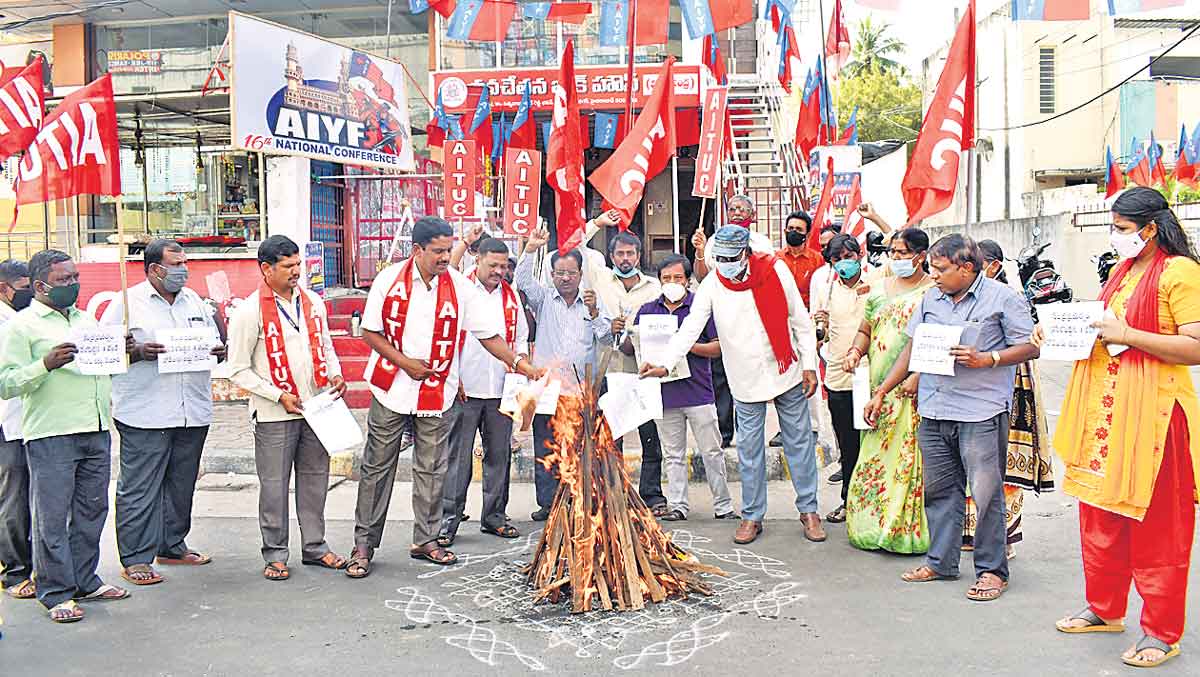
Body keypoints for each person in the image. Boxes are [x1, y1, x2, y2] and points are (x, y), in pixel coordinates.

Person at [1053, 188, 1200, 668]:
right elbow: (1102, 328)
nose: (1115, 237)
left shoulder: (1180, 272)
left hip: (1155, 416)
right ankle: (1105, 608)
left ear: (1150, 228)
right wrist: (1054, 333)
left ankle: (1161, 631)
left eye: (1121, 228)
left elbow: (1195, 346)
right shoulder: (1123, 270)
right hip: (1105, 415)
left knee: (1158, 526)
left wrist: (1129, 336)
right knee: (1100, 516)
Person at [350, 218, 540, 574]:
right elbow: (370, 332)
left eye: (447, 249)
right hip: (392, 388)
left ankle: (426, 539)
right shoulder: (389, 280)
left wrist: (521, 364)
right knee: (377, 468)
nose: (444, 257)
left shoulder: (459, 287)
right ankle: (363, 545)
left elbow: (488, 335)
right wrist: (406, 364)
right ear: (416, 250)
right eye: (437, 251)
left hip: (437, 391)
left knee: (433, 468)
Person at [865, 234, 1038, 602]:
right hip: (934, 408)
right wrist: (882, 390)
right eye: (932, 268)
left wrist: (987, 359)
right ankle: (941, 562)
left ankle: (991, 571)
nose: (934, 275)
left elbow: (1031, 346)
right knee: (940, 491)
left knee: (986, 495)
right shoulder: (932, 297)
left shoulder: (1002, 298)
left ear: (967, 267)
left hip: (980, 411)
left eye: (941, 269)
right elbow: (912, 347)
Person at [641, 226, 823, 545]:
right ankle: (752, 516)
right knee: (749, 451)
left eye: (730, 258)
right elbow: (689, 329)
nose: (725, 264)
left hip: (787, 369)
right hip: (744, 377)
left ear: (746, 254)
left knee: (799, 444)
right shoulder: (713, 284)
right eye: (720, 259)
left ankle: (809, 511)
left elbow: (800, 320)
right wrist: (665, 363)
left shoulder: (776, 270)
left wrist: (809, 364)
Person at [0, 250, 134, 623]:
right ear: (40, 286)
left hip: (95, 426)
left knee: (92, 510)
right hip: (52, 431)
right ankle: (56, 591)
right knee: (52, 517)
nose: (72, 284)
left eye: (75, 277)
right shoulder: (21, 326)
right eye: (63, 280)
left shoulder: (86, 319)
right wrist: (45, 364)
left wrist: (122, 352)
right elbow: (6, 383)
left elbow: (105, 368)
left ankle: (84, 580)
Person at [100, 239, 225, 587]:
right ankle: (136, 557)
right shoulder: (126, 304)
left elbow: (212, 342)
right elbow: (104, 354)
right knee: (140, 488)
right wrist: (137, 352)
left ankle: (171, 545)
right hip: (145, 411)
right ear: (155, 269)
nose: (183, 270)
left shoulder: (194, 300)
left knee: (181, 484)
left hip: (191, 409)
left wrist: (217, 349)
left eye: (185, 263)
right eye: (176, 264)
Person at [227, 235, 348, 582]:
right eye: (288, 266)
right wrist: (277, 395)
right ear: (266, 269)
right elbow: (237, 369)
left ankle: (315, 547)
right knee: (274, 486)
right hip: (274, 414)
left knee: (315, 481)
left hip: (316, 407)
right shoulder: (249, 311)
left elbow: (325, 344)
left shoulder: (312, 302)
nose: (296, 272)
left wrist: (336, 374)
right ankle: (275, 554)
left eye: (298, 265)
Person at [623, 254, 736, 521]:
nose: (672, 282)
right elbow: (631, 348)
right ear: (659, 281)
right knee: (673, 455)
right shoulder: (648, 310)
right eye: (666, 278)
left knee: (712, 452)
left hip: (699, 393)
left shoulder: (700, 308)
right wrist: (627, 333)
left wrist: (684, 344)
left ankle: (723, 506)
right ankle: (678, 506)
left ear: (688, 280)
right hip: (664, 394)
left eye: (678, 277)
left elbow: (717, 348)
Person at [843, 228, 934, 553]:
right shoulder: (879, 290)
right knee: (874, 456)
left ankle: (903, 530)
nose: (895, 258)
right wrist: (855, 351)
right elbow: (865, 330)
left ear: (920, 256)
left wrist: (919, 375)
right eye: (892, 252)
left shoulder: (932, 293)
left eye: (901, 253)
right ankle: (870, 525)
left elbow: (933, 341)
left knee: (908, 460)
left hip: (912, 389)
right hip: (877, 390)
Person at [962, 240, 1055, 558]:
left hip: (1013, 385)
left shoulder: (1008, 297)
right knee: (971, 462)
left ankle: (1003, 537)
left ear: (994, 266)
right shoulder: (964, 297)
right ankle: (969, 533)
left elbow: (1027, 346)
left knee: (1003, 463)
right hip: (975, 388)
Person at [437, 237, 530, 546]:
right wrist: (453, 376)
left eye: (503, 266)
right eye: (493, 265)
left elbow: (519, 340)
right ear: (477, 260)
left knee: (499, 456)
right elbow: (446, 335)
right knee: (457, 458)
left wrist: (521, 370)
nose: (499, 271)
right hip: (464, 389)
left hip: (501, 391)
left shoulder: (511, 296)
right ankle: (448, 520)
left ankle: (494, 517)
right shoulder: (460, 290)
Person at [515, 227, 612, 521]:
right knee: (547, 446)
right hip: (548, 391)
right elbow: (522, 280)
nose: (566, 278)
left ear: (580, 274)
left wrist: (595, 314)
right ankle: (548, 504)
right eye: (560, 273)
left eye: (571, 273)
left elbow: (607, 339)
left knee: (582, 447)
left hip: (582, 389)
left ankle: (580, 500)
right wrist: (530, 249)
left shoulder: (593, 301)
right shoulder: (544, 299)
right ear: (552, 274)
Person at [591, 231, 666, 515]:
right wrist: (597, 223)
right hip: (608, 369)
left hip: (642, 372)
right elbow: (577, 246)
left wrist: (634, 339)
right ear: (611, 256)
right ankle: (614, 494)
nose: (625, 259)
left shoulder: (653, 288)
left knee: (650, 436)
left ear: (638, 256)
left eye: (630, 253)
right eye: (620, 254)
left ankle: (652, 495)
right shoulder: (600, 281)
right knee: (611, 438)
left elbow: (662, 325)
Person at [810, 234, 870, 524]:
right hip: (837, 376)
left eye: (850, 256)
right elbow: (819, 327)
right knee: (847, 445)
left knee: (872, 443)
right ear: (831, 263)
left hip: (870, 375)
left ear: (859, 256)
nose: (845, 263)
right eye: (838, 259)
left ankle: (873, 504)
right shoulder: (827, 288)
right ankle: (849, 501)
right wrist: (820, 329)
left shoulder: (875, 284)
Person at [0, 260, 33, 601]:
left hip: (36, 420)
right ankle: (15, 572)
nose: (29, 292)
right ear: (3, 288)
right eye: (23, 287)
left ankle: (35, 565)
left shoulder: (27, 319)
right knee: (14, 497)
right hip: (8, 421)